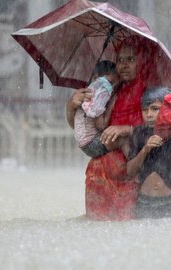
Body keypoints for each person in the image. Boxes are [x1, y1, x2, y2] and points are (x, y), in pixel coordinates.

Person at [66, 35, 155, 220]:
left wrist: (126, 129)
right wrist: (71, 106)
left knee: (126, 229)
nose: (123, 65)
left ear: (142, 61)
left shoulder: (151, 92)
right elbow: (86, 129)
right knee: (98, 233)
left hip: (132, 174)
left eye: (130, 59)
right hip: (99, 175)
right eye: (120, 60)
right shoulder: (108, 90)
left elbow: (159, 130)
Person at [126, 87, 171, 219]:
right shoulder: (139, 133)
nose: (149, 114)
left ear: (166, 109)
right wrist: (145, 149)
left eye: (154, 109)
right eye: (145, 110)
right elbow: (130, 171)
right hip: (144, 203)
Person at [74, 60, 124, 158]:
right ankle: (132, 163)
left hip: (85, 143)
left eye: (115, 86)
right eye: (110, 82)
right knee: (124, 141)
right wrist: (112, 103)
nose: (111, 88)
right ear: (96, 77)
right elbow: (102, 125)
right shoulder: (99, 95)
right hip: (92, 143)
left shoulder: (89, 91)